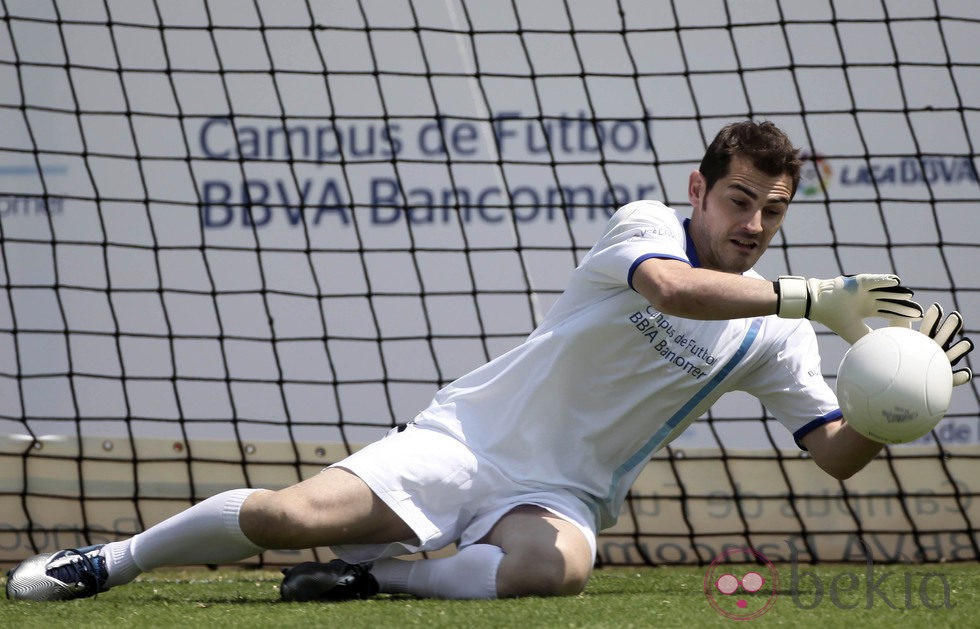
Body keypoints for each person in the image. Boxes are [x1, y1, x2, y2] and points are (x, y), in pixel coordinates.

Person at [6, 120, 973, 603]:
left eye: (772, 210)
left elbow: (835, 451)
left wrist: (906, 403)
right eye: (739, 201)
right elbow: (676, 293)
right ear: (700, 189)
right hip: (470, 439)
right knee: (285, 515)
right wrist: (820, 295)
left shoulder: (781, 334)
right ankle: (113, 561)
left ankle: (370, 582)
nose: (754, 224)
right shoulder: (646, 228)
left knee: (557, 569)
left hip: (561, 490)